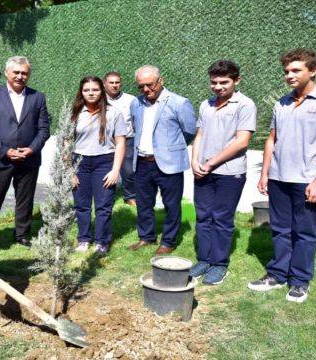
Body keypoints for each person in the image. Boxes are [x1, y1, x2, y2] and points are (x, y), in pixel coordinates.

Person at [248, 48, 316, 303]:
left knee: (304, 232)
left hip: (307, 180)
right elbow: (272, 140)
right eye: (286, 72)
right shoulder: (282, 102)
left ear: (312, 70)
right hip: (279, 178)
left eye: (295, 70)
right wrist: (266, 173)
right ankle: (277, 274)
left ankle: (300, 282)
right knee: (280, 229)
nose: (289, 76)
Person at [189, 60, 257, 285]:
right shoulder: (205, 105)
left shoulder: (245, 105)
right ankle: (204, 260)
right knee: (203, 216)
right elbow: (199, 136)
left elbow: (242, 142)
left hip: (230, 173)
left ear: (236, 81)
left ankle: (219, 264)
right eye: (214, 82)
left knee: (221, 218)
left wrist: (210, 164)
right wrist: (195, 161)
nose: (218, 87)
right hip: (203, 171)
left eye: (224, 82)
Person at [0, 56, 50, 254]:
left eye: (24, 73)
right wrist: (4, 151)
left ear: (29, 74)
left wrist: (32, 149)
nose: (20, 76)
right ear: (7, 72)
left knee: (25, 199)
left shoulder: (38, 97)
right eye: (16, 72)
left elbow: (44, 129)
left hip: (29, 158)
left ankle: (22, 235)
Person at [127, 65, 196, 255]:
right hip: (142, 161)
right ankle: (146, 237)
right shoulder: (136, 104)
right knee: (143, 203)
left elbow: (189, 131)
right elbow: (136, 127)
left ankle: (169, 241)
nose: (146, 90)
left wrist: (170, 149)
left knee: (171, 205)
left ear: (161, 81)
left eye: (150, 85)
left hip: (168, 163)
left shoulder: (179, 103)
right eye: (140, 87)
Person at [71, 76, 126, 255]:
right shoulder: (74, 113)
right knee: (82, 205)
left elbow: (120, 143)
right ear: (81, 92)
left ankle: (102, 241)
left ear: (102, 90)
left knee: (103, 205)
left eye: (94, 89)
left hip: (104, 162)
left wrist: (115, 170)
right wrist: (70, 171)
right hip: (80, 162)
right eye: (86, 90)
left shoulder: (114, 113)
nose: (91, 93)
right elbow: (65, 143)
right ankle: (84, 239)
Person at [104, 71, 137, 206]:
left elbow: (137, 120)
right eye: (111, 82)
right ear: (104, 83)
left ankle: (130, 197)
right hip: (105, 141)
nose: (114, 85)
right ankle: (106, 197)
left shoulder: (131, 100)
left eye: (117, 82)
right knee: (105, 169)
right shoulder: (100, 99)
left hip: (127, 140)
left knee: (128, 170)